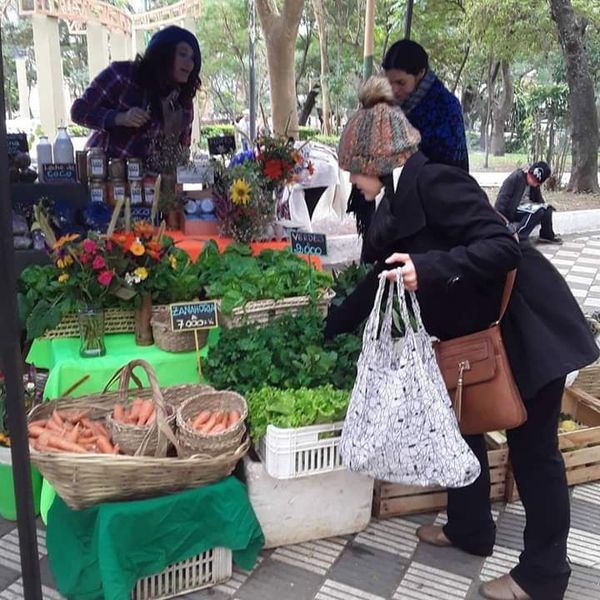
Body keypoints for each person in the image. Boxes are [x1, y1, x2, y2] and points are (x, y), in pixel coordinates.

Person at [324, 77, 598, 600]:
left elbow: (503, 247)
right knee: (462, 418)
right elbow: (383, 268)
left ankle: (543, 576)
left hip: (527, 328)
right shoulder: (394, 197)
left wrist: (426, 268)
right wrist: (336, 320)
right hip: (478, 334)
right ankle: (470, 530)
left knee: (535, 451)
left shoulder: (438, 183)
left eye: (353, 172)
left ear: (377, 163)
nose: (352, 182)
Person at [71, 26, 201, 161]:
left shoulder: (183, 103)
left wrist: (171, 129)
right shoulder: (123, 75)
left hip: (151, 179)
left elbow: (181, 158)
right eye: (182, 54)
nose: (189, 63)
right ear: (164, 54)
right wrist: (121, 118)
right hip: (104, 174)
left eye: (193, 58)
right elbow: (78, 111)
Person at [382, 39, 469, 172]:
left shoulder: (445, 108)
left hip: (437, 188)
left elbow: (446, 168)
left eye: (401, 82)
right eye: (390, 82)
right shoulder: (392, 106)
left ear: (421, 73)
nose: (394, 90)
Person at [495, 162, 563, 244]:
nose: (532, 182)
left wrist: (544, 207)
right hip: (513, 210)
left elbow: (539, 200)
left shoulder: (535, 185)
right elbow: (501, 201)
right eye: (532, 178)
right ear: (528, 172)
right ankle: (519, 237)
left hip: (527, 207)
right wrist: (502, 222)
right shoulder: (515, 178)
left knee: (546, 209)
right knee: (538, 211)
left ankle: (546, 236)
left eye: (536, 182)